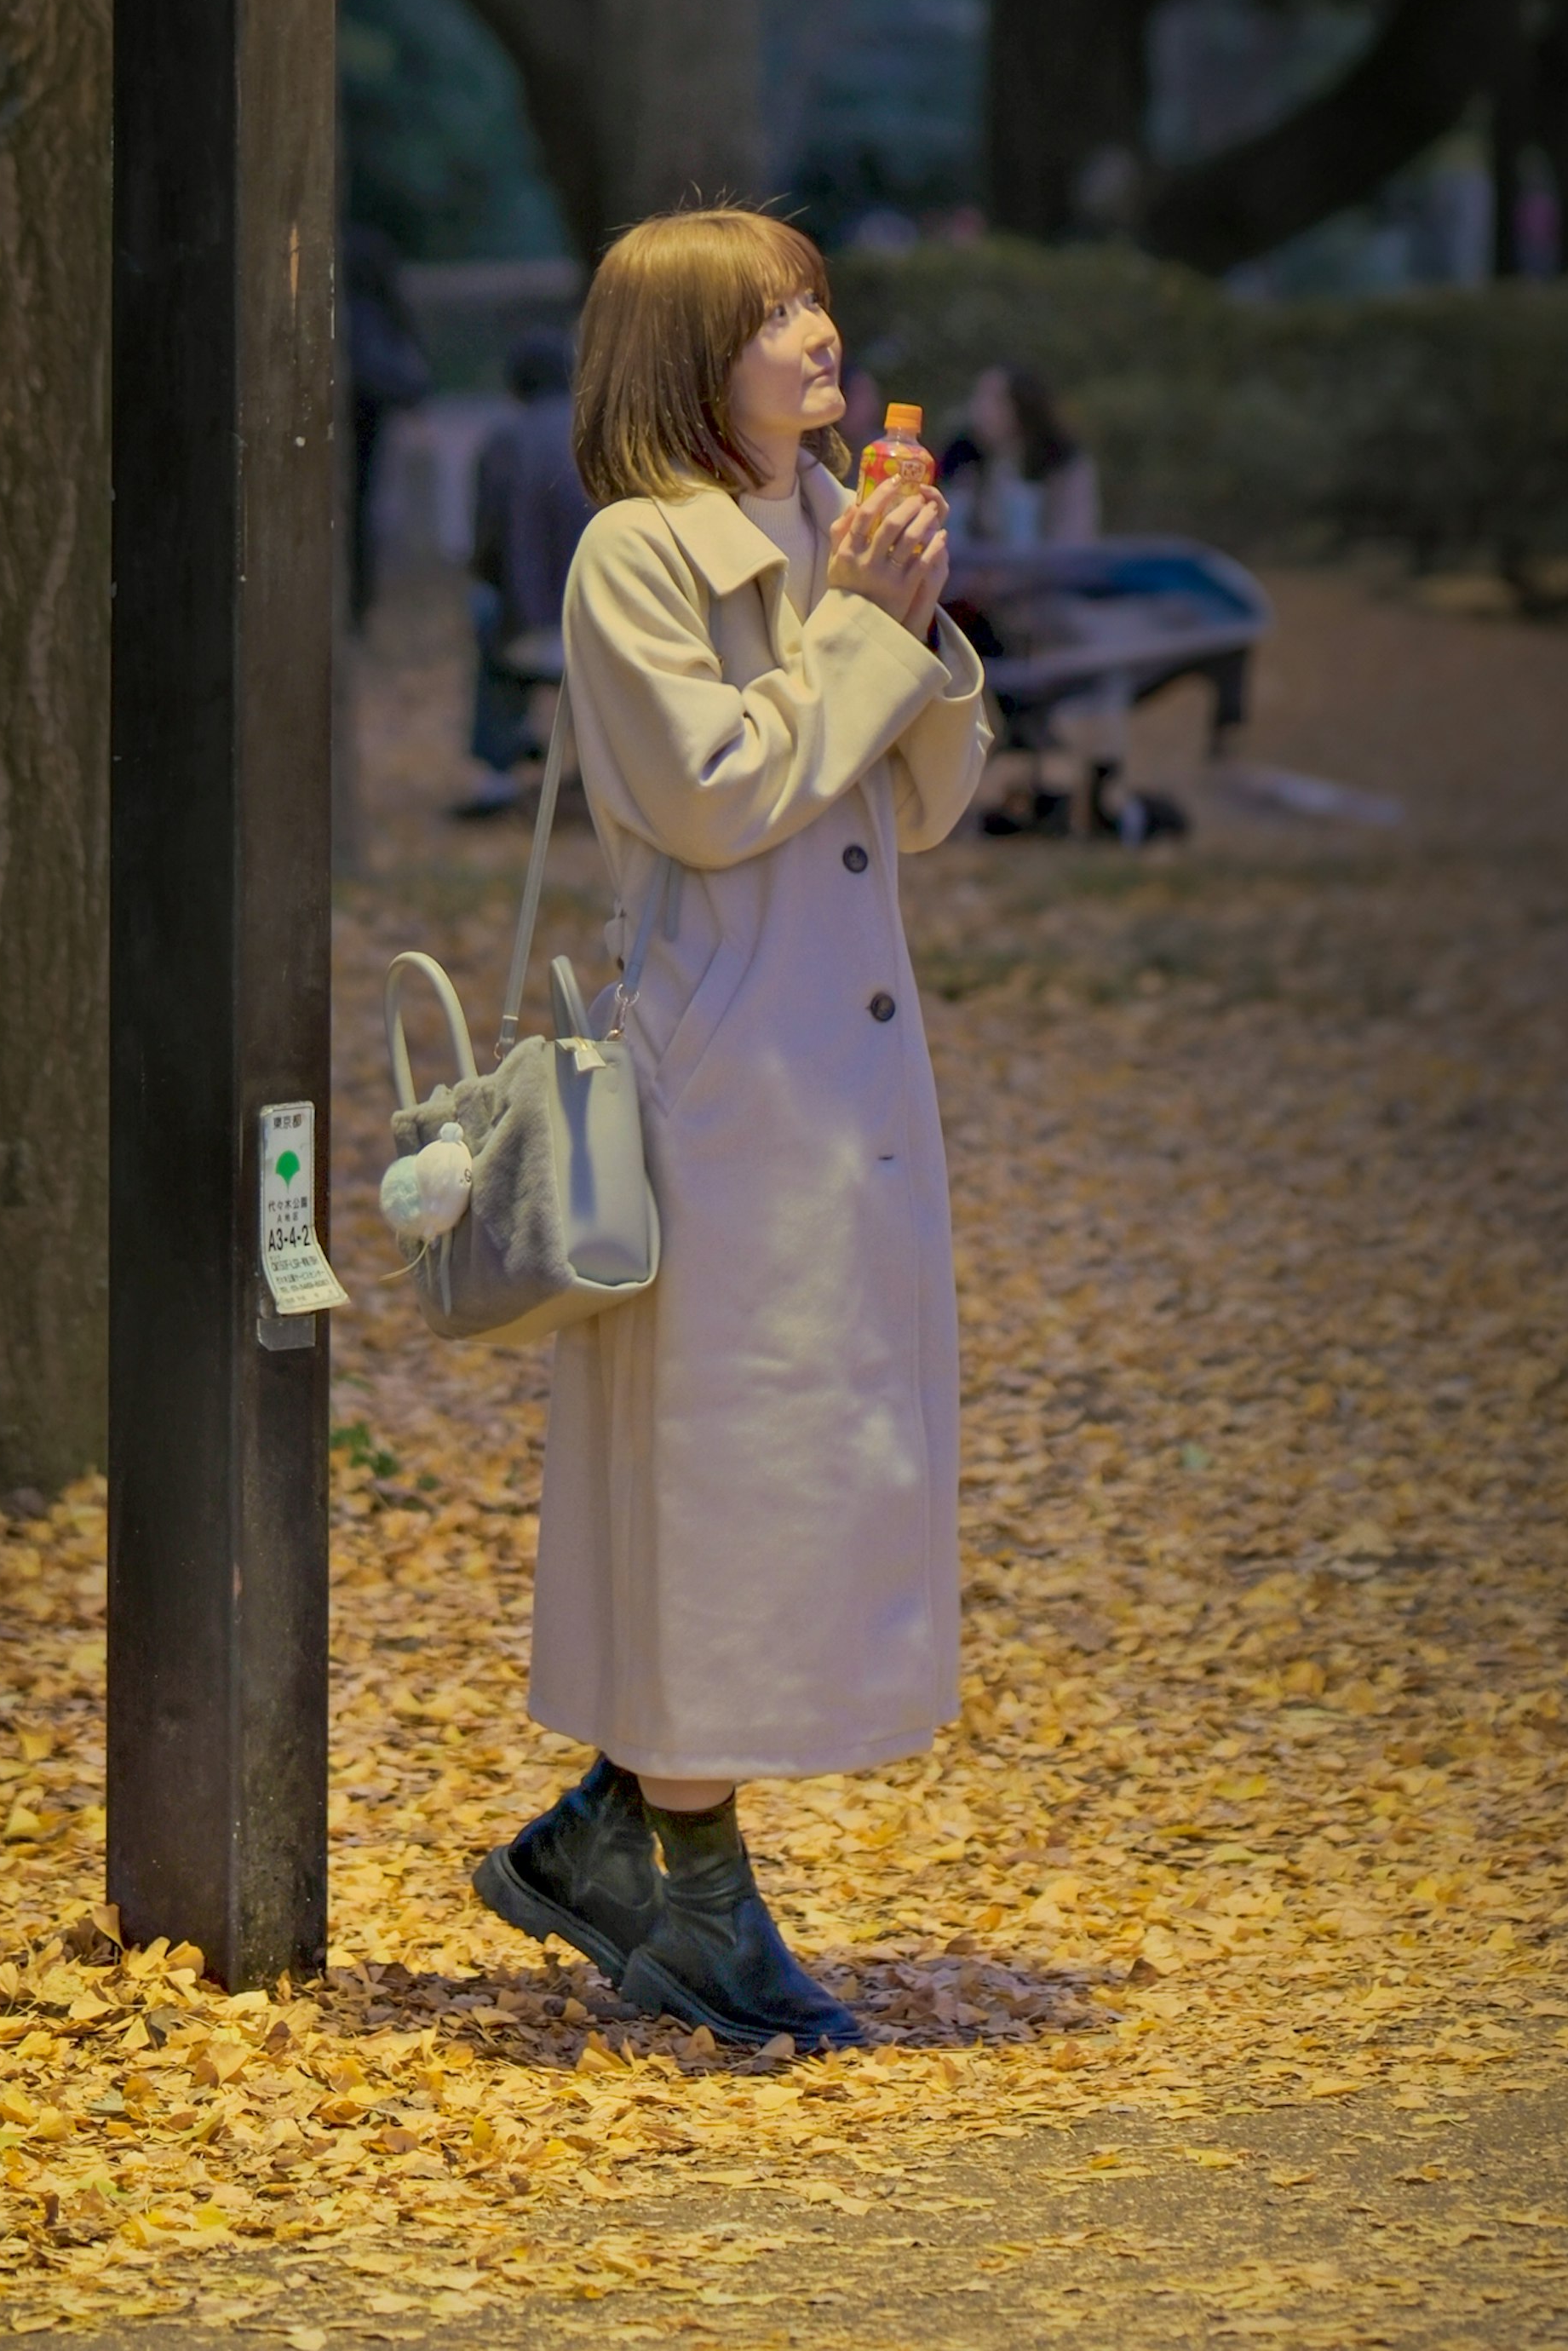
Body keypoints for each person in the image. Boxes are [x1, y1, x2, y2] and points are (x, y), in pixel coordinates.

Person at [473, 205, 987, 2055]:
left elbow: (920, 800)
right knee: (716, 1454)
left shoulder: (821, 516)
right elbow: (712, 795)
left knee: (802, 1446)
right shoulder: (639, 550)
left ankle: (623, 1827)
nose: (818, 331)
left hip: (837, 1063)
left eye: (814, 297)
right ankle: (686, 1880)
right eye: (773, 314)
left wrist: (907, 616)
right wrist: (863, 623)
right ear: (692, 361)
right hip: (724, 1066)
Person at [460, 328, 589, 818]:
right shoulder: (601, 436)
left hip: (528, 629)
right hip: (606, 624)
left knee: (488, 621)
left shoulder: (503, 442)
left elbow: (488, 542)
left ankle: (497, 775)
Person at [342, 221, 432, 622]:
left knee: (354, 507)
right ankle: (359, 598)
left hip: (349, 410)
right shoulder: (377, 309)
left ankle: (356, 599)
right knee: (362, 505)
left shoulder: (346, 307)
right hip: (368, 415)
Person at [938, 359, 1098, 557]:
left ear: (1022, 406)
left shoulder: (1062, 463)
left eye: (995, 400)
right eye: (978, 397)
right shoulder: (963, 459)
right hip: (973, 578)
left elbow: (1074, 539)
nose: (980, 409)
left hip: (1050, 579)